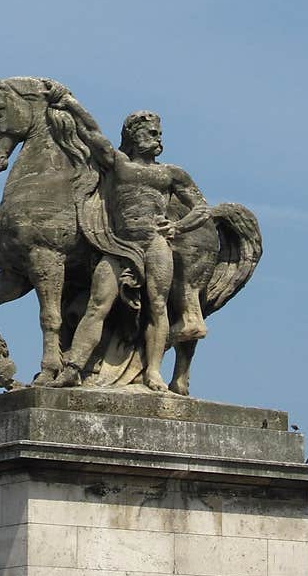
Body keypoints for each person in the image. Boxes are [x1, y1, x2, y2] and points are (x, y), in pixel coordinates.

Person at [49, 99, 210, 392]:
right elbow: (91, 132)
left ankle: (154, 373)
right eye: (150, 132)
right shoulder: (118, 163)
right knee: (98, 304)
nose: (157, 138)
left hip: (155, 244)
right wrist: (69, 103)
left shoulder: (172, 173)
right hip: (118, 245)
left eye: (159, 133)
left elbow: (202, 208)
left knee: (158, 307)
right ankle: (74, 368)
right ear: (133, 135)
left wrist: (177, 226)